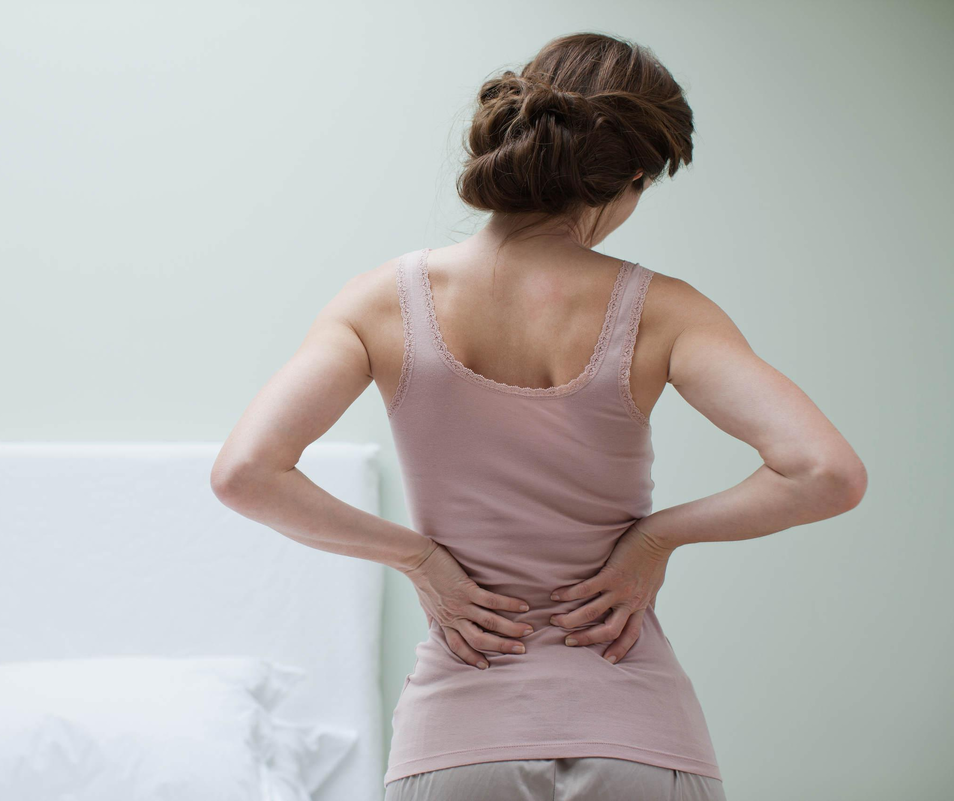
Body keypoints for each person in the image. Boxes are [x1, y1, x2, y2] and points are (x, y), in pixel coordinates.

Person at [211, 30, 867, 801]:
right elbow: (826, 472)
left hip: (457, 739)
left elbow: (245, 473)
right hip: (639, 732)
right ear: (629, 177)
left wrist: (420, 559)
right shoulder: (666, 310)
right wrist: (656, 537)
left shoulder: (382, 304)